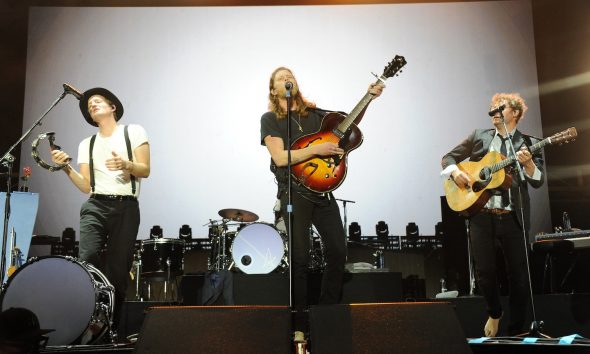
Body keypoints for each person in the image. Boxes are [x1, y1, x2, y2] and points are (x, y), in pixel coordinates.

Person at [260, 67, 384, 342]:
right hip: (294, 192)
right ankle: (300, 325)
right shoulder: (270, 119)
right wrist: (316, 149)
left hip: (322, 193)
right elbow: (280, 158)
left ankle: (326, 313)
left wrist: (368, 98)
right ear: (273, 89)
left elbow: (346, 124)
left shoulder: (314, 115)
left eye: (289, 75)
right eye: (280, 78)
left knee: (339, 251)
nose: (287, 79)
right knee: (300, 258)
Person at [441, 93, 544, 337]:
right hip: (481, 215)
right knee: (485, 272)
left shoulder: (526, 143)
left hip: (512, 217)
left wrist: (528, 165)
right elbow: (448, 158)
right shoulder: (480, 136)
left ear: (515, 113)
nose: (494, 110)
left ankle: (517, 330)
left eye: (500, 107)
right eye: (491, 107)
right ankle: (495, 313)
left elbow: (538, 180)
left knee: (519, 276)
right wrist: (456, 174)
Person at [51, 87, 150, 336]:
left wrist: (126, 164)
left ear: (112, 106)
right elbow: (86, 185)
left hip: (126, 205)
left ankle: (111, 327)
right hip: (96, 204)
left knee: (118, 268)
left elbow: (145, 169)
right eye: (89, 106)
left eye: (97, 102)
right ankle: (86, 319)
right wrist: (66, 168)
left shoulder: (133, 131)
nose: (92, 105)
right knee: (88, 258)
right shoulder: (88, 143)